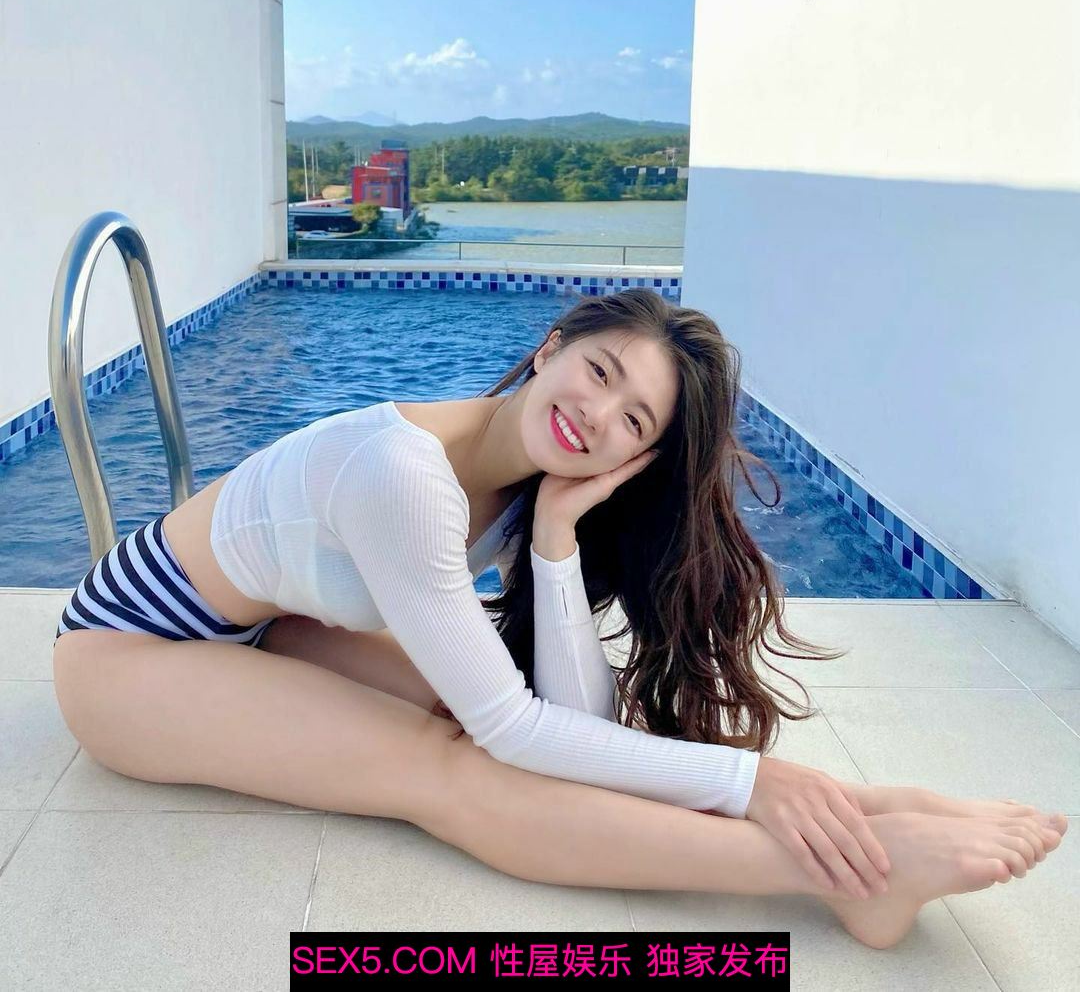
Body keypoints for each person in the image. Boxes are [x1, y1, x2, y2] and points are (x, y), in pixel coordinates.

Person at [52, 288, 1065, 950]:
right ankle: (842, 872)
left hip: (266, 624)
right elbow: (515, 732)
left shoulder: (525, 483)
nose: (596, 415)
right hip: (127, 648)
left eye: (634, 421)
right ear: (550, 348)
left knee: (485, 728)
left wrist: (552, 537)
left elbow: (568, 718)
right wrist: (752, 781)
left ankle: (862, 813)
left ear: (638, 459)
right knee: (445, 768)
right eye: (601, 372)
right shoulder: (403, 476)